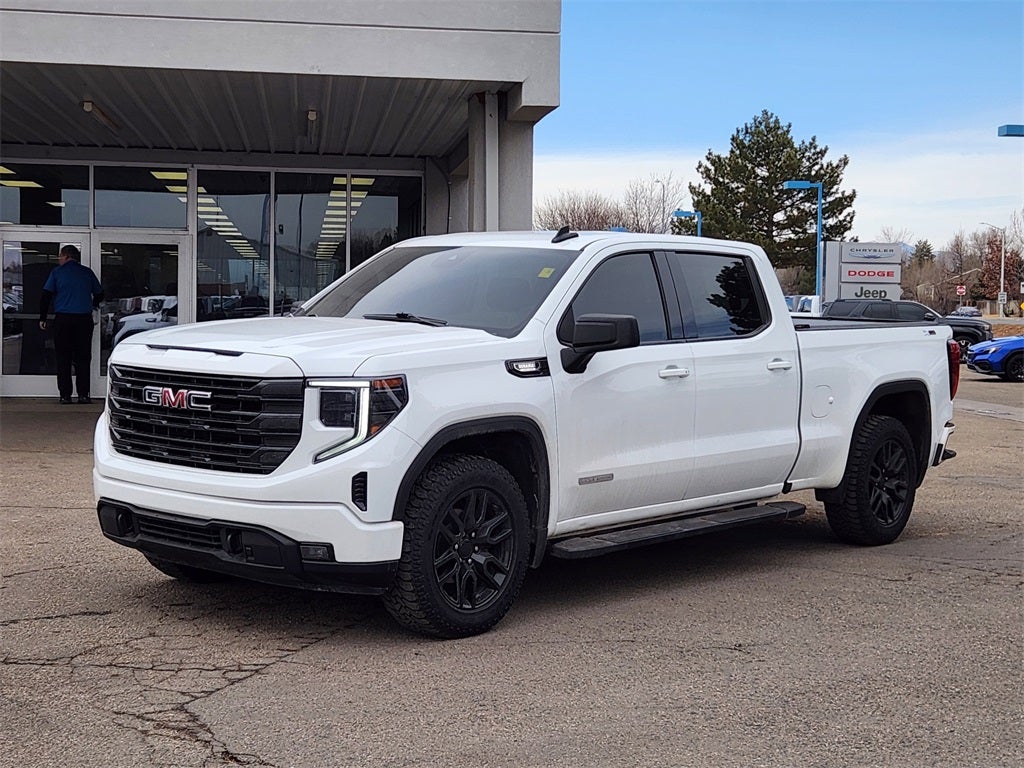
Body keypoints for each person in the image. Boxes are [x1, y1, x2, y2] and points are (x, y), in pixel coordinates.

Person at [38, 244, 103, 404]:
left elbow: (46, 296)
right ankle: (83, 394)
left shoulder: (57, 273)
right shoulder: (86, 273)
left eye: (60, 256)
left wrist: (43, 317)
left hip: (63, 319)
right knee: (83, 357)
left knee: (63, 357)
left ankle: (65, 395)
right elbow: (100, 293)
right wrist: (93, 305)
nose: (59, 259)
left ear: (66, 256)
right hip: (83, 319)